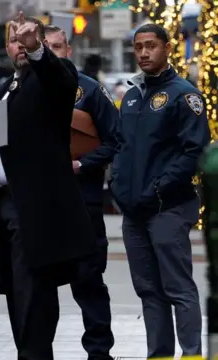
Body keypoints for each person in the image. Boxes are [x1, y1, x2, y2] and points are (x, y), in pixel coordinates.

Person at [0, 12, 98, 359]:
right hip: (3, 206)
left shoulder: (51, 78)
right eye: (13, 39)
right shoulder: (2, 90)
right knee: (16, 295)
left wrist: (38, 48)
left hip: (34, 210)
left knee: (33, 298)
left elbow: (61, 82)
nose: (19, 45)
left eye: (25, 37)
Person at [110, 23, 210, 358]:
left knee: (178, 287)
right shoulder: (133, 96)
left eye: (150, 46)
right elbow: (122, 147)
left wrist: (158, 188)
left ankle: (193, 353)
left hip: (168, 208)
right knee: (149, 291)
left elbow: (194, 152)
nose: (143, 53)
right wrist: (119, 188)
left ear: (167, 48)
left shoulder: (185, 95)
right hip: (134, 212)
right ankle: (160, 354)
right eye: (138, 47)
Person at [44, 24, 118, 360]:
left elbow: (117, 141)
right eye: (46, 47)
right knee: (38, 288)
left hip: (82, 200)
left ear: (68, 50)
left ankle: (99, 353)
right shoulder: (15, 91)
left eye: (58, 46)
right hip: (38, 205)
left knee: (88, 282)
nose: (53, 53)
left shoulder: (89, 91)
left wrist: (83, 165)